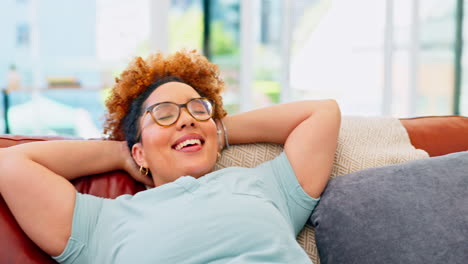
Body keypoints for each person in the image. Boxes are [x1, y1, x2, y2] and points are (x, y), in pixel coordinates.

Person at [0, 50, 341, 263]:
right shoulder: (102, 223)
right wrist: (121, 153)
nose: (187, 118)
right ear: (139, 151)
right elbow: (11, 164)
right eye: (164, 114)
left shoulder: (265, 186)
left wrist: (216, 131)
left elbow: (322, 114)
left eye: (197, 109)